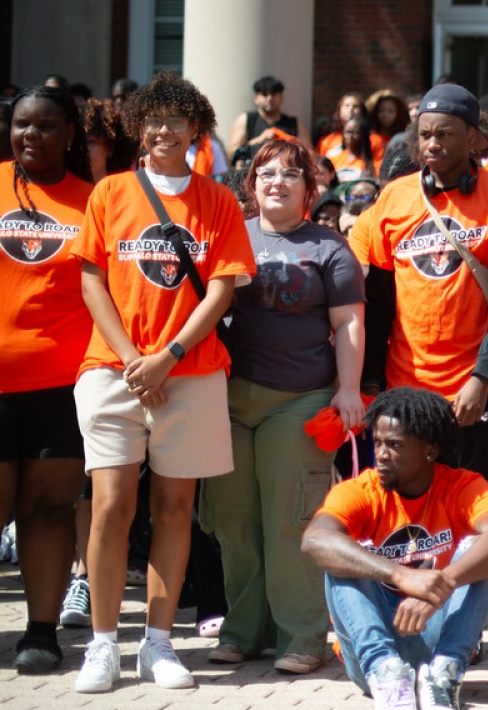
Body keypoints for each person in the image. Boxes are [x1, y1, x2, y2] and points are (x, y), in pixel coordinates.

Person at [71, 70, 257, 693]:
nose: (163, 130)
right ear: (137, 126)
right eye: (152, 120)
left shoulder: (218, 199)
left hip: (192, 372)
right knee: (110, 506)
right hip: (113, 369)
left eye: (176, 120)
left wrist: (168, 357)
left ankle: (158, 643)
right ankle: (102, 644)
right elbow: (92, 281)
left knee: (176, 509)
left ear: (196, 128)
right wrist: (135, 360)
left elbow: (222, 289)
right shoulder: (111, 191)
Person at [198, 138, 366, 675]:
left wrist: (347, 388)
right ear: (251, 184)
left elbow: (349, 322)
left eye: (291, 174)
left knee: (290, 520)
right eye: (266, 173)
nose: (277, 182)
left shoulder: (330, 247)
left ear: (309, 188)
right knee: (234, 522)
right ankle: (243, 631)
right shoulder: (232, 234)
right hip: (227, 399)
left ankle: (302, 637)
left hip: (299, 400)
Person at [351, 84, 488, 482]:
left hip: (471, 386)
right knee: (405, 491)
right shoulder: (394, 198)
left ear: (472, 137)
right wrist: (371, 381)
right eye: (425, 134)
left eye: (444, 133)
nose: (432, 143)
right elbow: (379, 302)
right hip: (404, 384)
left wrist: (482, 378)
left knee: (465, 497)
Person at [301, 387, 488, 710]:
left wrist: (440, 585)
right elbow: (315, 539)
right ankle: (386, 675)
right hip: (370, 650)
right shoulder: (361, 490)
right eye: (377, 443)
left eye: (394, 445)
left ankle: (444, 675)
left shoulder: (462, 486)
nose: (381, 454)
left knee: (481, 550)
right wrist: (402, 576)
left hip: (434, 637)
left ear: (430, 450)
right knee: (342, 555)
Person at [0, 84, 96, 675]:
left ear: (69, 134)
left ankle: (41, 632)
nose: (30, 135)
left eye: (44, 126)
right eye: (21, 125)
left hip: (62, 383)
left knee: (49, 510)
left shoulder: (94, 201)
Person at [229, 76, 303, 156]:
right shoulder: (245, 120)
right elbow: (232, 153)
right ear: (256, 98)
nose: (269, 99)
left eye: (273, 94)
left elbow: (309, 153)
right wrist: (260, 139)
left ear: (281, 97)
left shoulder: (294, 124)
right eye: (264, 95)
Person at [328, 114, 380, 181]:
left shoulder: (372, 164)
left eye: (355, 133)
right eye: (348, 132)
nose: (350, 136)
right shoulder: (334, 159)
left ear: (363, 136)